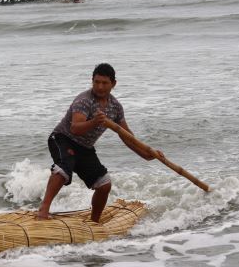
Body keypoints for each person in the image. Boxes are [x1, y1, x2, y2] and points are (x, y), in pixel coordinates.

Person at [37, 63, 163, 222]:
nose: (100, 86)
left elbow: (126, 136)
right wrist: (95, 121)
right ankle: (43, 210)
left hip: (85, 148)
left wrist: (147, 155)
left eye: (104, 83)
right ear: (92, 81)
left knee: (104, 185)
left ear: (113, 84)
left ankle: (94, 222)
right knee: (63, 170)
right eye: (96, 82)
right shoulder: (84, 100)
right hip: (63, 139)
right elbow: (75, 128)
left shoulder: (115, 107)